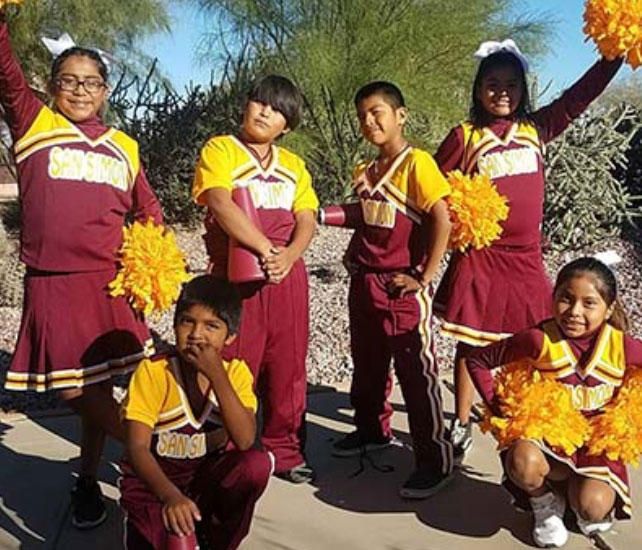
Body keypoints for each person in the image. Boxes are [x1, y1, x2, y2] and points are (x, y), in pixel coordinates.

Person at [0, 10, 163, 529]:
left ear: (105, 90)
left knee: (100, 388)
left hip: (112, 285)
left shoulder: (124, 146)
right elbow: (5, 71)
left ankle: (88, 479)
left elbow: (150, 210)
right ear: (51, 86)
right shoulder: (34, 123)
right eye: (68, 80)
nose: (78, 90)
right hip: (54, 282)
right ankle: (154, 455)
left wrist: (149, 263)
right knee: (72, 388)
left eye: (90, 82)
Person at [433, 39, 623, 457]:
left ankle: (541, 416)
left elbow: (580, 97)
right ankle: (462, 421)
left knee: (540, 339)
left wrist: (616, 54)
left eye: (511, 84)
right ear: (478, 88)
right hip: (482, 259)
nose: (502, 92)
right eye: (492, 83)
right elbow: (429, 190)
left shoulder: (537, 129)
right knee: (473, 344)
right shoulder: (464, 138)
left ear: (523, 89)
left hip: (526, 259)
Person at [329, 81, 456, 499]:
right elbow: (366, 217)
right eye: (363, 115)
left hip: (401, 284)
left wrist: (424, 274)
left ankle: (434, 460)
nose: (370, 121)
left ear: (400, 115)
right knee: (366, 365)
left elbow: (441, 217)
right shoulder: (365, 171)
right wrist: (339, 235)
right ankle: (371, 432)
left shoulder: (416, 163)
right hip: (364, 281)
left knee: (416, 373)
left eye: (378, 112)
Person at [191, 75, 318, 484]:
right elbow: (219, 202)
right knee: (234, 360)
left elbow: (307, 217)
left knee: (287, 364)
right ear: (246, 106)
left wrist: (291, 255)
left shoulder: (293, 165)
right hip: (238, 272)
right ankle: (232, 445)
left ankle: (285, 448)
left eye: (277, 108)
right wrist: (265, 249)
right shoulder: (222, 149)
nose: (265, 112)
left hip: (286, 274)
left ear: (288, 123)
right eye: (259, 102)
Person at [466, 257, 642, 547]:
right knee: (523, 462)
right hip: (548, 443)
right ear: (553, 298)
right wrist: (501, 414)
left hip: (596, 446)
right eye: (566, 299)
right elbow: (478, 360)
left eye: (589, 303)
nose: (574, 312)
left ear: (609, 309)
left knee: (592, 509)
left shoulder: (622, 347)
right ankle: (543, 501)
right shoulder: (539, 340)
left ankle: (575, 494)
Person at [119, 275, 271, 550]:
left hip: (204, 483)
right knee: (180, 542)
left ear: (230, 336)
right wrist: (170, 496)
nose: (196, 334)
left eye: (211, 326)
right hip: (155, 488)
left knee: (255, 465)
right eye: (187, 321)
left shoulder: (234, 373)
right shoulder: (154, 372)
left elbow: (246, 439)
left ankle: (217, 541)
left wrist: (215, 374)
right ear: (175, 324)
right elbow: (137, 448)